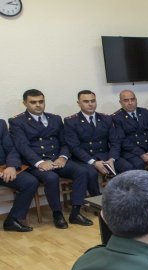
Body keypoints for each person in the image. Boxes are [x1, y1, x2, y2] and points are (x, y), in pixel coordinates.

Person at [9, 89, 92, 228]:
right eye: (33, 102)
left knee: (82, 171)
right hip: (35, 163)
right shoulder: (17, 121)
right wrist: (40, 163)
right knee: (51, 178)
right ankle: (57, 214)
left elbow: (65, 142)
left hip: (56, 159)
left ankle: (76, 212)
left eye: (41, 101)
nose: (38, 105)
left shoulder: (55, 119)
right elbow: (22, 146)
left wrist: (63, 157)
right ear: (25, 103)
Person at [64, 90, 132, 195]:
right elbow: (74, 147)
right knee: (91, 174)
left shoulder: (106, 118)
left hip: (105, 156)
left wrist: (112, 159)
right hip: (84, 159)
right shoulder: (71, 121)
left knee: (127, 167)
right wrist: (94, 162)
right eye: (86, 101)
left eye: (93, 101)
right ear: (78, 103)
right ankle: (96, 200)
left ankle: (124, 197)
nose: (90, 104)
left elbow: (115, 142)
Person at [1, 119, 39, 232]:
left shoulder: (1, 124)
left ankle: (12, 220)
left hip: (4, 168)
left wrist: (11, 166)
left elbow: (11, 149)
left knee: (30, 182)